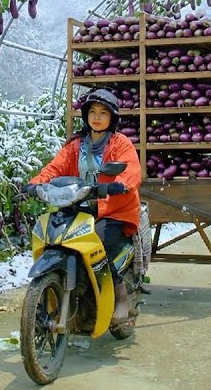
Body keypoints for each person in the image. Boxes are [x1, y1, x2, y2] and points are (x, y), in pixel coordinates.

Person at [25, 88, 143, 330]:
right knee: (56, 237)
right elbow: (55, 168)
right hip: (78, 205)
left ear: (112, 118)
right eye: (92, 112)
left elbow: (132, 171)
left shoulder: (120, 144)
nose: (97, 117)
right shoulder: (76, 145)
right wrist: (36, 183)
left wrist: (118, 185)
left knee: (99, 242)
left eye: (103, 113)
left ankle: (120, 295)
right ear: (86, 115)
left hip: (113, 209)